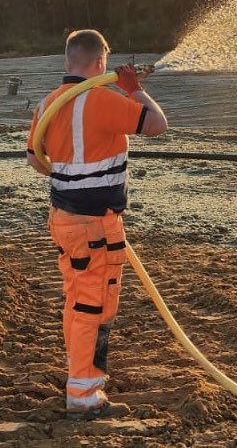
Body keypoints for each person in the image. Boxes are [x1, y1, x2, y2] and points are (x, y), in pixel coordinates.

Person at [26, 29, 168, 420]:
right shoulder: (104, 99)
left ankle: (79, 379)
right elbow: (156, 124)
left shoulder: (47, 105)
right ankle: (84, 396)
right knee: (95, 306)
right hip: (95, 227)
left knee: (76, 301)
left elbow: (35, 159)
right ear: (100, 63)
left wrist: (69, 174)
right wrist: (135, 90)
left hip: (64, 221)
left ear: (67, 60)